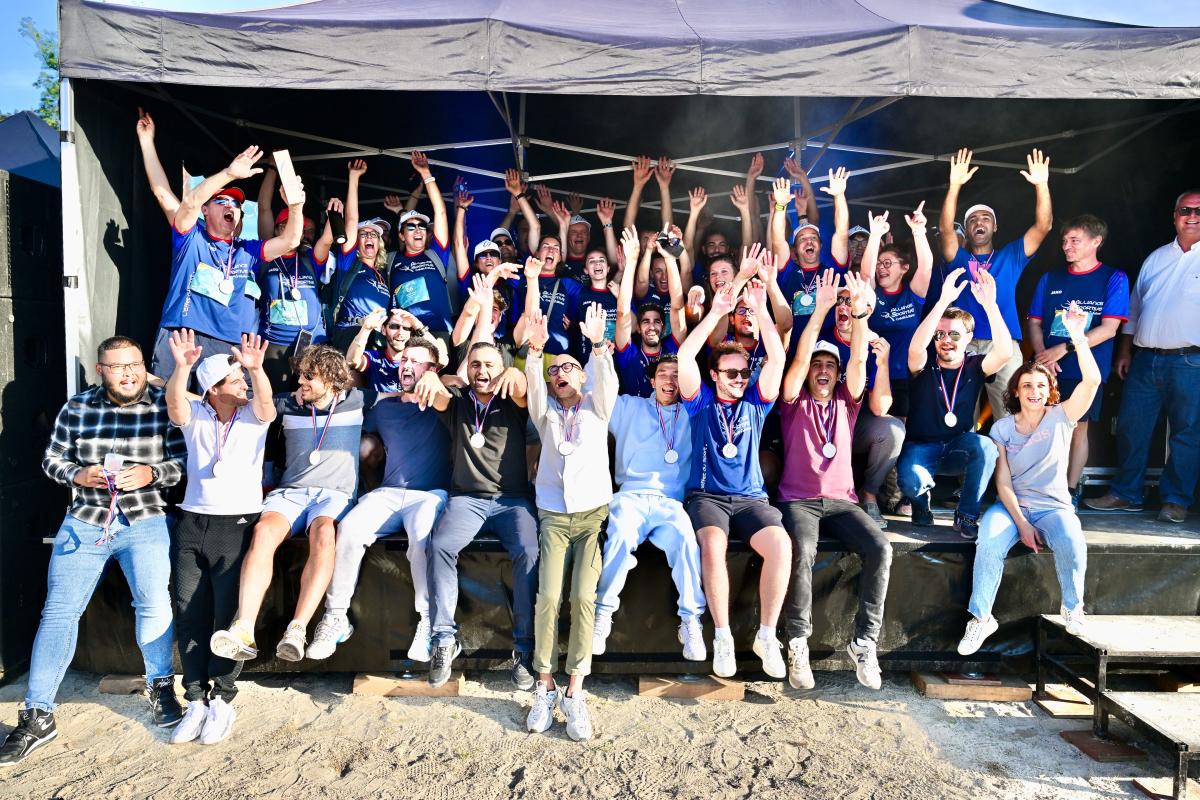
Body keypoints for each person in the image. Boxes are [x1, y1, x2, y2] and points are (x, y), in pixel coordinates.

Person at [0, 337, 186, 766]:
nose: (129, 373)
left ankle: (161, 687)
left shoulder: (164, 405)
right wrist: (77, 475)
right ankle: (38, 715)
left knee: (153, 602)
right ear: (101, 370)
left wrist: (152, 472)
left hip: (145, 518)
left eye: (135, 365)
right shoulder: (78, 407)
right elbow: (51, 459)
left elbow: (184, 461)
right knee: (58, 612)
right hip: (85, 520)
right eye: (118, 367)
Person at [958, 303, 1099, 654]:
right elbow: (1003, 482)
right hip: (1012, 508)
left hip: (1054, 507)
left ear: (1049, 390)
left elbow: (1092, 381)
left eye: (1040, 385)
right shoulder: (1002, 428)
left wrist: (1078, 336)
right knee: (988, 542)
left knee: (1072, 539)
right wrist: (1022, 523)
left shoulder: (1062, 416)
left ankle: (1073, 608)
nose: (1034, 391)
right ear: (1016, 392)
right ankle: (981, 619)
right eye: (1026, 386)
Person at [209, 345, 364, 663]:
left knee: (325, 532)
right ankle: (243, 629)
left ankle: (297, 629)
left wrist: (441, 379)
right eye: (300, 375)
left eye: (309, 376)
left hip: (334, 494)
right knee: (263, 531)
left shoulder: (359, 400)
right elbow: (248, 402)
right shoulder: (289, 403)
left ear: (331, 379)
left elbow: (408, 395)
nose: (300, 382)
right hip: (292, 492)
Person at [676, 254, 792, 680]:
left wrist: (760, 310)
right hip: (707, 497)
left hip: (750, 498)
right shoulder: (701, 403)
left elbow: (776, 360)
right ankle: (722, 636)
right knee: (712, 545)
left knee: (781, 546)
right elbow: (685, 357)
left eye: (743, 373)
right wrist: (717, 312)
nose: (740, 379)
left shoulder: (756, 404)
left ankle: (767, 635)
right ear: (715, 374)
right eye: (731, 373)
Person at [777, 270, 891, 691]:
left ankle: (864, 642)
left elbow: (858, 361)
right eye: (817, 365)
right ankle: (798, 642)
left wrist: (859, 315)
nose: (823, 370)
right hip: (799, 500)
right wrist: (822, 309)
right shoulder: (792, 399)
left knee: (881, 547)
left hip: (843, 502)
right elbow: (799, 358)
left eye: (830, 365)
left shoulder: (847, 399)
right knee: (802, 550)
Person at [307, 337, 451, 663]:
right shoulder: (384, 407)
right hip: (388, 493)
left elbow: (454, 388)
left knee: (422, 535)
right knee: (348, 530)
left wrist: (438, 379)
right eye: (404, 360)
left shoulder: (446, 401)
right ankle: (336, 617)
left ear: (432, 369)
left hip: (430, 494)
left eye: (415, 361)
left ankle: (428, 621)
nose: (406, 365)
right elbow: (347, 404)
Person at [164, 331, 276, 745]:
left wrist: (256, 369)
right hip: (192, 522)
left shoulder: (253, 415)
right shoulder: (196, 413)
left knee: (228, 617)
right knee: (189, 612)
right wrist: (182, 367)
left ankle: (223, 699)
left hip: (237, 525)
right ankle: (195, 700)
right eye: (236, 379)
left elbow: (266, 402)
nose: (243, 384)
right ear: (213, 389)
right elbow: (175, 403)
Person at [417, 343, 538, 690]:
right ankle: (443, 639)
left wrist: (515, 372)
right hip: (467, 499)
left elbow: (522, 389)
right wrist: (432, 376)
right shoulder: (457, 401)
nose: (481, 371)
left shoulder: (512, 400)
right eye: (475, 365)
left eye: (489, 365)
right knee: (440, 545)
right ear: (466, 368)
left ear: (500, 368)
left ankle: (524, 648)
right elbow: (438, 394)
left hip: (512, 501)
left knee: (529, 551)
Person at [522, 305, 616, 741]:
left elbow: (607, 379)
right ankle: (545, 685)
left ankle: (575, 690)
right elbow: (534, 385)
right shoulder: (545, 413)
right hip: (554, 517)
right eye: (554, 369)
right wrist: (536, 352)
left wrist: (597, 345)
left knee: (582, 597)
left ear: (583, 376)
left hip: (593, 516)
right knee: (548, 597)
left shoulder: (598, 407)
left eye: (568, 367)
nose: (560, 373)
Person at [1087, 191, 1200, 524]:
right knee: (1131, 428)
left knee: (1187, 433)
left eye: (1199, 211)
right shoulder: (1156, 258)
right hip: (1145, 359)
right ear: (1174, 216)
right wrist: (1125, 351)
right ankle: (1126, 493)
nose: (1192, 216)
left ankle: (1175, 501)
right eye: (1185, 210)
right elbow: (1134, 309)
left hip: (1191, 361)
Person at [150, 146, 306, 383]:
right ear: (205, 210)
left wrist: (296, 207)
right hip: (183, 334)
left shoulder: (248, 250)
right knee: (169, 401)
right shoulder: (191, 237)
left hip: (230, 343)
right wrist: (229, 174)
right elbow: (185, 201)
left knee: (227, 405)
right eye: (222, 201)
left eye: (236, 204)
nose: (230, 206)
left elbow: (291, 241)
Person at [593, 354, 707, 661]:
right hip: (631, 496)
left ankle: (691, 621)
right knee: (619, 536)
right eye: (663, 374)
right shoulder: (629, 406)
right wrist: (599, 351)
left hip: (670, 501)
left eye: (676, 375)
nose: (670, 380)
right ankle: (602, 614)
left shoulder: (694, 413)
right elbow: (599, 391)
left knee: (686, 540)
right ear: (652, 381)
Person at [897, 268, 1013, 539]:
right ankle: (920, 504)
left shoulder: (975, 364)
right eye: (940, 335)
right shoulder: (924, 362)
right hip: (921, 446)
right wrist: (942, 302)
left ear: (970, 337)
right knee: (911, 481)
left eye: (955, 335)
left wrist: (991, 305)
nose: (946, 340)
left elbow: (1005, 352)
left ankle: (967, 515)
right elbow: (915, 349)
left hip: (957, 447)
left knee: (986, 447)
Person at [937, 148, 1053, 419]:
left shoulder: (1011, 255)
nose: (979, 223)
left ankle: (1007, 450)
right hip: (963, 342)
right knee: (959, 414)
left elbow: (1043, 226)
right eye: (973, 220)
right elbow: (944, 230)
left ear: (995, 227)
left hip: (1003, 343)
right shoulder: (959, 257)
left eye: (985, 219)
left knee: (1012, 415)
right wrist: (954, 186)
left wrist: (1042, 185)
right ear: (967, 230)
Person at [1028, 215, 1129, 505]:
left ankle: (1069, 491)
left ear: (1096, 241)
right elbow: (1034, 322)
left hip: (1086, 369)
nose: (1066, 246)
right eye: (1064, 241)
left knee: (1077, 429)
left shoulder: (1113, 278)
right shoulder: (1050, 278)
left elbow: (1109, 329)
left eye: (1075, 240)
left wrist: (1063, 349)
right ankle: (1037, 489)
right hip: (1047, 369)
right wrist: (1043, 357)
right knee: (1039, 429)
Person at [389, 152, 456, 347]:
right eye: (411, 226)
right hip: (405, 334)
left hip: (439, 330)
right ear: (401, 235)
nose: (418, 229)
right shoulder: (391, 261)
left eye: (422, 226)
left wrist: (426, 173)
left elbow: (440, 212)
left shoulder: (436, 254)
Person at [614, 228, 685, 396]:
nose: (652, 326)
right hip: (635, 412)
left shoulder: (672, 350)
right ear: (638, 328)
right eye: (646, 321)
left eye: (657, 321)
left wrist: (670, 259)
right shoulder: (629, 354)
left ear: (664, 327)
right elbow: (623, 313)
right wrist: (632, 261)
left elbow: (677, 307)